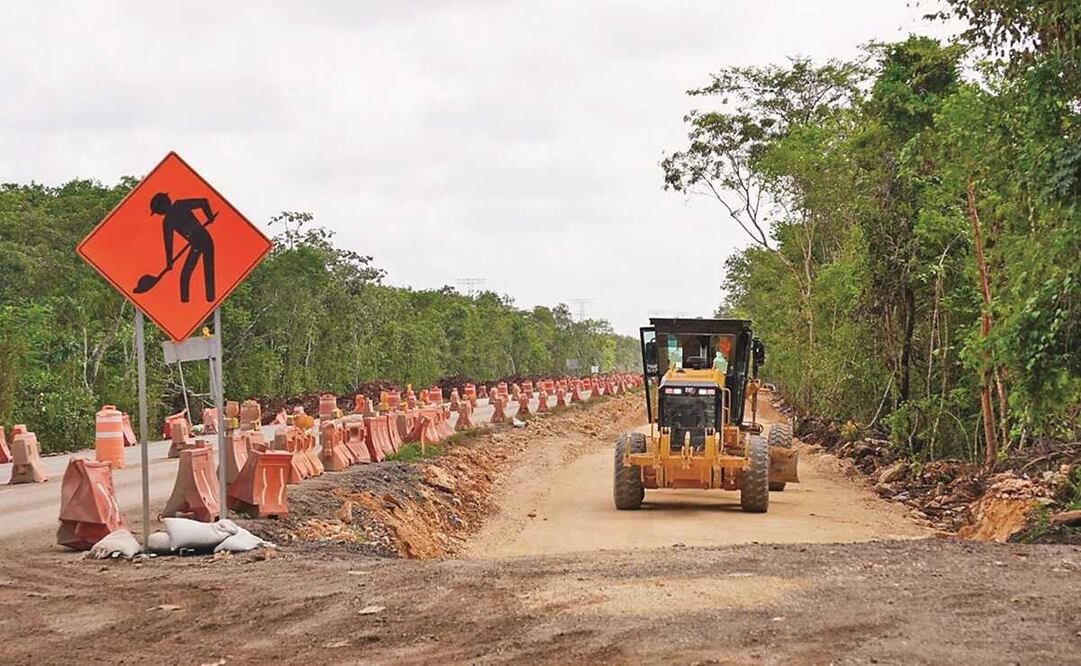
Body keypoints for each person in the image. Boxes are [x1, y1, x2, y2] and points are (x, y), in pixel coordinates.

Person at [149, 192, 216, 303]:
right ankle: (186, 302)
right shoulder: (168, 220)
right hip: (197, 243)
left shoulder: (178, 207)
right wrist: (169, 262)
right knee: (186, 275)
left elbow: (203, 202)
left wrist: (210, 217)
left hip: (203, 239)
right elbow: (168, 244)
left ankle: (210, 299)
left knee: (207, 270)